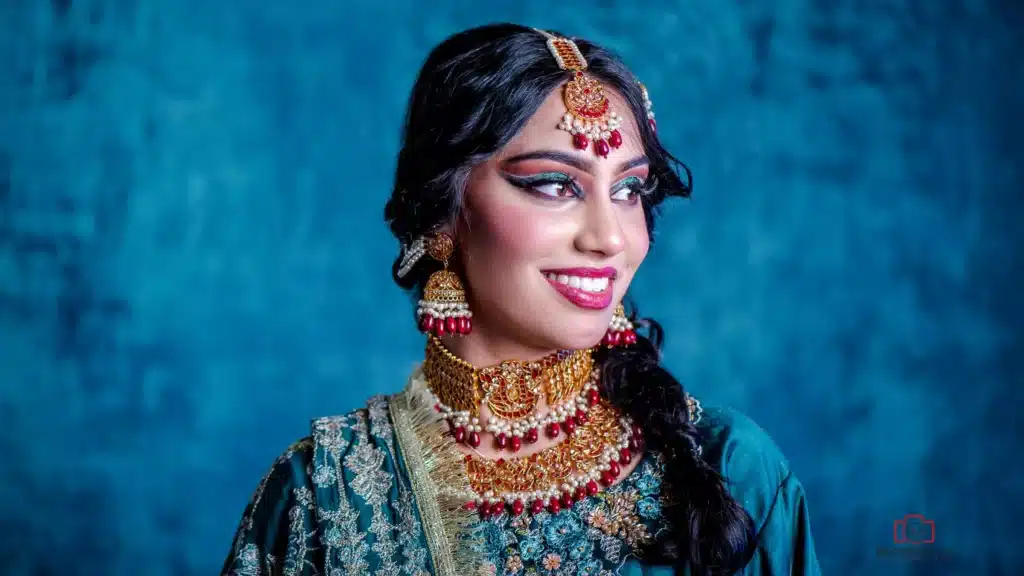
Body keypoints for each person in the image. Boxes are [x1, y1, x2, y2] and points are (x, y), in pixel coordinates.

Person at [220, 23, 820, 576]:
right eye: (556, 185)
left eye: (630, 189)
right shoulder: (325, 494)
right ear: (443, 212)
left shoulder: (727, 472)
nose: (610, 238)